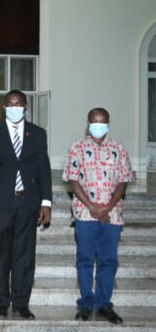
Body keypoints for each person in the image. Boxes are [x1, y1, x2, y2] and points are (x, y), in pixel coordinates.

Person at [0, 90, 52, 320]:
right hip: (0, 203)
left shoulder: (38, 134)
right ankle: (1, 303)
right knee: (0, 256)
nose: (14, 107)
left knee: (24, 255)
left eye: (18, 103)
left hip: (28, 202)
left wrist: (46, 202)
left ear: (25, 106)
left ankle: (21, 303)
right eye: (9, 103)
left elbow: (43, 168)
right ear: (3, 107)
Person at [62, 108, 133, 324]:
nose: (98, 125)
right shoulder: (78, 147)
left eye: (102, 121)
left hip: (112, 214)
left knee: (108, 261)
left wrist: (108, 207)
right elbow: (73, 180)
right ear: (88, 123)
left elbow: (123, 180)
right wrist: (93, 207)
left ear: (108, 123)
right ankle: (85, 303)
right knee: (84, 260)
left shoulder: (118, 148)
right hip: (85, 213)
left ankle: (104, 304)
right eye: (94, 121)